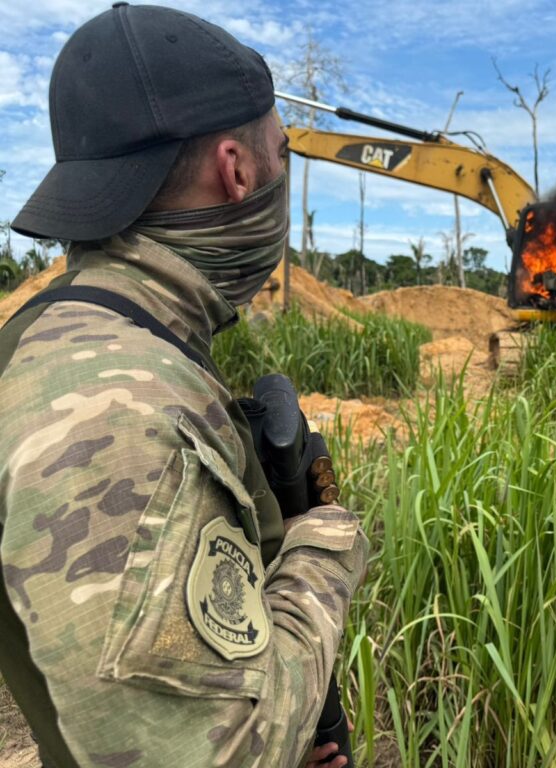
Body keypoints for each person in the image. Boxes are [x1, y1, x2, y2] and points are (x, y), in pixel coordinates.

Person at [0, 4, 368, 766]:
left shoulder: (58, 337)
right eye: (282, 154)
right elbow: (218, 752)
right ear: (237, 171)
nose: (281, 175)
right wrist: (323, 552)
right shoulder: (120, 407)